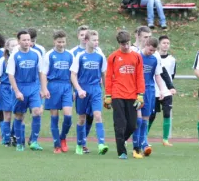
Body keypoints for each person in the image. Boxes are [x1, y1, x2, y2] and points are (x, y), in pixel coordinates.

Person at [104, 30, 145, 159]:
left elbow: (140, 76)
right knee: (120, 123)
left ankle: (121, 141)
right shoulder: (113, 57)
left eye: (127, 44)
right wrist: (108, 95)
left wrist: (141, 94)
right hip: (117, 94)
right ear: (119, 44)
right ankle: (121, 152)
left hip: (132, 95)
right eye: (123, 44)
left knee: (132, 125)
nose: (126, 46)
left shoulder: (137, 57)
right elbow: (109, 77)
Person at [70, 30, 109, 155]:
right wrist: (79, 89)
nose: (96, 42)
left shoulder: (100, 56)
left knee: (97, 115)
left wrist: (107, 92)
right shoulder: (80, 56)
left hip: (96, 89)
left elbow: (104, 75)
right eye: (94, 40)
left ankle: (101, 144)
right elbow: (73, 75)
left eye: (97, 40)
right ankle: (79, 144)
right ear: (86, 41)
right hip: (83, 90)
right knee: (81, 118)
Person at [7, 30, 43, 152]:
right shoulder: (14, 56)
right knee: (19, 115)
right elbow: (11, 75)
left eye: (29, 40)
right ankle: (19, 142)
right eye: (24, 40)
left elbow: (41, 72)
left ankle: (34, 141)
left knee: (37, 111)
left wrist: (43, 88)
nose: (27, 42)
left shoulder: (36, 54)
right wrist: (17, 91)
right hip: (20, 87)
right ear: (19, 41)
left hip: (33, 87)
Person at [40, 30, 74, 153]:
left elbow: (73, 75)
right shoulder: (49, 55)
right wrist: (44, 88)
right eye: (59, 42)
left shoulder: (70, 55)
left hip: (66, 86)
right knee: (54, 116)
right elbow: (43, 73)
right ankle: (57, 144)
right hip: (53, 86)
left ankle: (63, 137)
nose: (61, 44)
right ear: (54, 41)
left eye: (63, 42)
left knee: (68, 116)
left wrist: (74, 90)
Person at [133, 37, 168, 158]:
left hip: (149, 91)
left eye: (153, 50)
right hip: (136, 91)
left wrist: (162, 90)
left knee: (145, 119)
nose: (151, 52)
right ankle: (136, 144)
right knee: (137, 119)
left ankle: (143, 143)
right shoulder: (136, 56)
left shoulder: (155, 59)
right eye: (150, 49)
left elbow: (157, 76)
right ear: (146, 44)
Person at [148, 35, 177, 146]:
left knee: (167, 114)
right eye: (164, 43)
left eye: (168, 43)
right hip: (154, 90)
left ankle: (165, 139)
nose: (166, 45)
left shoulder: (172, 60)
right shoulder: (153, 56)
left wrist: (169, 87)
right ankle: (143, 137)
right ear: (159, 44)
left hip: (166, 91)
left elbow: (171, 75)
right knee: (151, 115)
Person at [0, 37, 15, 146]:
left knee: (19, 113)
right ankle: (6, 139)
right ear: (7, 48)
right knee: (7, 115)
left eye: (16, 45)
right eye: (12, 46)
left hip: (18, 88)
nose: (15, 48)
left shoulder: (19, 58)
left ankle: (15, 136)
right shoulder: (3, 60)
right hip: (6, 89)